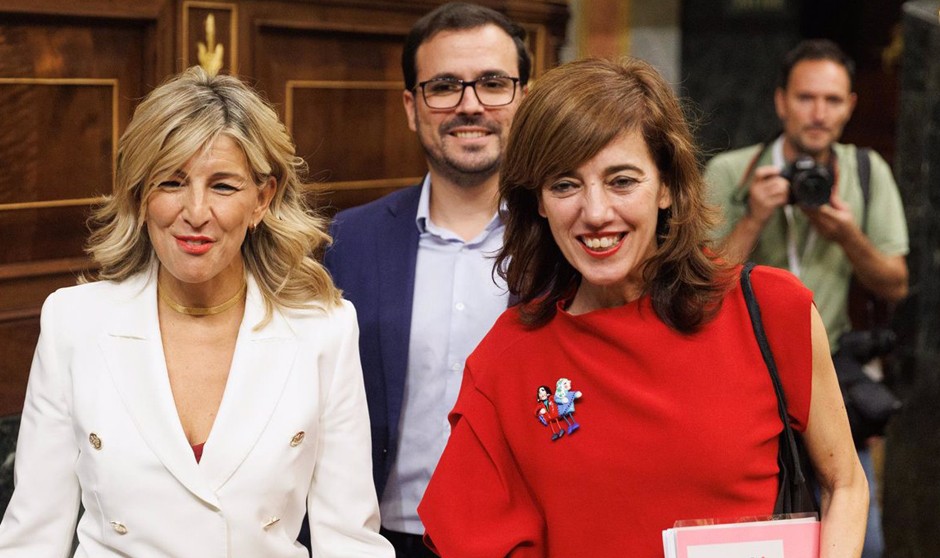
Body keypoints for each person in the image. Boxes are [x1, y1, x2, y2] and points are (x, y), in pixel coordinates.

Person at [417, 57, 869, 557]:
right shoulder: (509, 358)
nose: (595, 213)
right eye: (565, 184)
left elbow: (845, 484)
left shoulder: (771, 309)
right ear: (539, 201)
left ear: (667, 187)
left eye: (622, 181)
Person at [0, 66, 393, 557]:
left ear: (262, 200)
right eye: (171, 182)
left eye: (223, 186)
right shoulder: (74, 322)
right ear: (140, 196)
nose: (196, 212)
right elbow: (32, 538)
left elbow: (350, 542)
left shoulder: (323, 330)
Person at [323, 3, 529, 556]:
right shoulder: (345, 243)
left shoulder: (563, 241)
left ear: (524, 99)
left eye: (493, 84)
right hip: (379, 538)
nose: (470, 105)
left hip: (520, 540)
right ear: (412, 108)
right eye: (443, 87)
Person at [704, 39, 909, 557]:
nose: (819, 113)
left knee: (865, 541)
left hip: (828, 378)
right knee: (749, 535)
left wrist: (848, 235)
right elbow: (697, 286)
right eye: (806, 98)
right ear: (781, 102)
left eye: (833, 100)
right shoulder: (731, 173)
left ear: (850, 106)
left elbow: (895, 283)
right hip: (745, 377)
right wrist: (753, 218)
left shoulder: (866, 173)